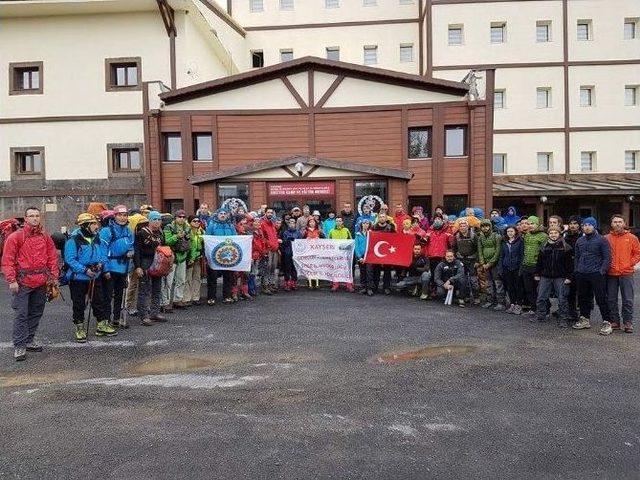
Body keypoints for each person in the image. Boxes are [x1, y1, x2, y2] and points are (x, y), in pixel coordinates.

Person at [1, 206, 58, 361]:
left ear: (40, 218)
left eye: (37, 215)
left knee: (36, 312)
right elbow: (7, 261)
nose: (34, 218)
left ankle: (29, 339)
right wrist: (11, 280)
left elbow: (52, 257)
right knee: (21, 314)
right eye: (31, 216)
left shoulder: (45, 237)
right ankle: (20, 345)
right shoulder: (16, 237)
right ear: (25, 219)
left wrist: (53, 277)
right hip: (22, 283)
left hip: (41, 282)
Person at [64, 213, 114, 342]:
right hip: (78, 278)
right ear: (85, 225)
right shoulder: (73, 240)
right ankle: (79, 327)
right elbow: (70, 259)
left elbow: (102, 254)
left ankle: (101, 324)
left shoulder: (96, 237)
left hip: (94, 276)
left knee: (99, 301)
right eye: (93, 224)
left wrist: (100, 264)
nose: (96, 226)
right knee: (79, 303)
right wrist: (85, 270)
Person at [572, 217, 612, 334]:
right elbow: (577, 257)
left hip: (596, 274)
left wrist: (601, 271)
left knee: (601, 298)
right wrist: (577, 270)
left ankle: (607, 321)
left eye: (589, 225)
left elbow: (607, 258)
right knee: (583, 297)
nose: (587, 227)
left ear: (594, 226)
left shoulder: (602, 240)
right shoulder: (580, 241)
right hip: (582, 273)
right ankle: (585, 319)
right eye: (584, 225)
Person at [99, 204, 134, 330]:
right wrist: (105, 269)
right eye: (120, 215)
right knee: (107, 296)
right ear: (114, 216)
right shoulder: (106, 231)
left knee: (120, 295)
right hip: (110, 267)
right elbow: (102, 251)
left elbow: (131, 245)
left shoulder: (128, 230)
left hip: (123, 267)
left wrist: (131, 251)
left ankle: (116, 318)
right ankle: (106, 320)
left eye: (125, 215)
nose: (123, 218)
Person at [605, 214, 640, 334]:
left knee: (628, 300)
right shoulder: (606, 238)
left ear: (624, 223)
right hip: (611, 273)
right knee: (611, 299)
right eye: (615, 222)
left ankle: (628, 322)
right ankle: (614, 321)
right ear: (611, 224)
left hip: (626, 273)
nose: (618, 224)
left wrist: (630, 264)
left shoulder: (632, 238)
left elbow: (637, 254)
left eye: (620, 222)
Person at [534, 226, 574, 326]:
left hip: (560, 276)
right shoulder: (544, 246)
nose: (553, 235)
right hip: (545, 275)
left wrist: (569, 277)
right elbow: (539, 262)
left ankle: (563, 319)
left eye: (555, 233)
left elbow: (569, 264)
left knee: (562, 298)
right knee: (541, 297)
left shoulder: (566, 247)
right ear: (548, 234)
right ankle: (541, 316)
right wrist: (537, 273)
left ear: (559, 234)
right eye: (551, 233)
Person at [134, 211, 166, 326]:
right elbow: (136, 251)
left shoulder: (161, 233)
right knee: (144, 290)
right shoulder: (141, 233)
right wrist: (138, 266)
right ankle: (143, 315)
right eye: (154, 219)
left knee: (157, 289)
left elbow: (165, 248)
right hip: (145, 262)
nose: (157, 222)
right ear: (149, 220)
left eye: (159, 220)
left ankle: (155, 312)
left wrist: (167, 264)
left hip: (158, 262)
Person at [205, 208, 236, 304]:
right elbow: (207, 239)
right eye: (221, 213)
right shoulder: (212, 225)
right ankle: (211, 297)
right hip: (215, 256)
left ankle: (227, 296)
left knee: (228, 276)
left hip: (228, 255)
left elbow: (235, 238)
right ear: (217, 215)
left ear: (227, 215)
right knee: (212, 277)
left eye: (224, 213)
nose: (222, 215)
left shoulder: (230, 225)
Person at [162, 209, 191, 311]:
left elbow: (189, 242)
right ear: (175, 218)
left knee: (181, 280)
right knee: (168, 282)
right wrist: (177, 236)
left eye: (183, 217)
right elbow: (166, 241)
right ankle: (165, 302)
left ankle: (177, 300)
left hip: (182, 256)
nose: (182, 219)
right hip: (171, 257)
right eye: (180, 217)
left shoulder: (187, 228)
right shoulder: (168, 227)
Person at [521, 216, 548, 313]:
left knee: (540, 290)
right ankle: (533, 308)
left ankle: (545, 309)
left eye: (532, 224)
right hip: (526, 265)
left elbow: (545, 253)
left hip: (537, 266)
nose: (530, 226)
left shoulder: (543, 236)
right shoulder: (527, 235)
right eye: (528, 224)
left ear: (537, 224)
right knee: (529, 289)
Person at [477, 219, 505, 310]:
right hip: (485, 264)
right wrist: (482, 262)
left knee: (498, 283)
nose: (485, 228)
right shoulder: (480, 238)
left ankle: (501, 302)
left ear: (490, 226)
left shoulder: (496, 236)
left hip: (495, 264)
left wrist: (490, 263)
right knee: (488, 283)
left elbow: (498, 251)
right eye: (483, 226)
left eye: (487, 226)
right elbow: (480, 250)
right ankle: (490, 301)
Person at [367, 213, 396, 296]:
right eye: (380, 217)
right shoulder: (373, 227)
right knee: (376, 271)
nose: (382, 218)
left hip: (387, 252)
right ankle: (375, 287)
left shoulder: (391, 227)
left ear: (386, 218)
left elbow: (395, 238)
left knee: (387, 271)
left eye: (383, 217)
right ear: (378, 218)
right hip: (377, 252)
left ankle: (386, 287)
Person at [453, 218, 479, 304]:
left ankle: (476, 297)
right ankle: (466, 296)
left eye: (464, 226)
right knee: (463, 280)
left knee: (473, 280)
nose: (462, 227)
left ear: (467, 227)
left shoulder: (473, 235)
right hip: (461, 260)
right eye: (461, 226)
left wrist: (477, 260)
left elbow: (478, 249)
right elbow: (454, 248)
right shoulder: (456, 236)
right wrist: (456, 259)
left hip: (471, 260)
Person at [501, 225, 525, 315]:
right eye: (508, 231)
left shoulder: (520, 241)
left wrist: (521, 268)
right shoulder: (504, 242)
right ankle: (512, 303)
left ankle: (519, 304)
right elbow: (502, 255)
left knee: (518, 287)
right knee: (510, 287)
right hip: (507, 267)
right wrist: (501, 267)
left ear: (515, 232)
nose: (510, 233)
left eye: (511, 231)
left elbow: (522, 255)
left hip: (516, 267)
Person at [563, 216, 582, 321]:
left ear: (579, 225)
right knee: (570, 292)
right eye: (571, 223)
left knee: (581, 292)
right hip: (568, 266)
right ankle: (572, 313)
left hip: (580, 266)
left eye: (575, 223)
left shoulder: (582, 235)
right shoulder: (565, 235)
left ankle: (583, 314)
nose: (573, 226)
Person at [328, 216, 354, 292]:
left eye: (340, 221)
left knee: (346, 270)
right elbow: (328, 243)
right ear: (335, 222)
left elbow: (350, 242)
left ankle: (349, 285)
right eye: (337, 221)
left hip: (345, 254)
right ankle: (335, 284)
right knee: (336, 269)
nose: (338, 222)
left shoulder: (346, 230)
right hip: (335, 254)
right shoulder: (331, 231)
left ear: (342, 222)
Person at [425, 218, 451, 294]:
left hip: (441, 257)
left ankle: (443, 290)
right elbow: (424, 244)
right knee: (434, 274)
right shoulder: (429, 234)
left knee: (442, 274)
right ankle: (434, 290)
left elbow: (451, 245)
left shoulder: (446, 234)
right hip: (433, 257)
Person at [184, 216, 204, 306]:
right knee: (188, 278)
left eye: (198, 221)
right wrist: (190, 258)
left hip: (198, 257)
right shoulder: (187, 231)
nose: (197, 222)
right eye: (194, 221)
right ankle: (187, 298)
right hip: (189, 257)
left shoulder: (201, 231)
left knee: (197, 277)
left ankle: (195, 297)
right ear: (189, 222)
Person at [259, 208, 280, 294]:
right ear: (265, 213)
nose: (270, 214)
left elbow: (274, 236)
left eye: (271, 212)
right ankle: (265, 286)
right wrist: (268, 245)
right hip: (268, 249)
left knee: (273, 267)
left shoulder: (272, 224)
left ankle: (271, 284)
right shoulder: (263, 223)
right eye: (268, 212)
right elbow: (262, 237)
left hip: (274, 249)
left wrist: (276, 245)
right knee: (267, 268)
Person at [302, 217, 324, 289]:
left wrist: (320, 238)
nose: (312, 223)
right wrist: (305, 239)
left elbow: (324, 239)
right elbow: (301, 240)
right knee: (309, 266)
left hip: (317, 252)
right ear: (308, 223)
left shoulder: (318, 231)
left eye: (313, 222)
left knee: (317, 266)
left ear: (315, 223)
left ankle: (317, 283)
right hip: (308, 252)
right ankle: (309, 283)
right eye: (310, 222)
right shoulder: (305, 231)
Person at [280, 217, 302, 291]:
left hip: (295, 253)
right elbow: (283, 243)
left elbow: (301, 244)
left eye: (293, 222)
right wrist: (288, 240)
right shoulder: (285, 232)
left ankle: (294, 282)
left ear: (295, 224)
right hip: (287, 252)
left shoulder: (298, 233)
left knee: (294, 268)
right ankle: (287, 283)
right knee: (287, 268)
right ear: (288, 224)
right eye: (290, 222)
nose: (292, 224)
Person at [354, 219, 371, 294]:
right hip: (361, 256)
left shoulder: (371, 234)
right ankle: (363, 287)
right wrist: (359, 257)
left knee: (369, 272)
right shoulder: (358, 234)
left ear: (369, 225)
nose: (365, 225)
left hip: (369, 256)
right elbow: (356, 247)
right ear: (361, 225)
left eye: (367, 223)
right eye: (364, 223)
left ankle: (369, 288)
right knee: (363, 272)